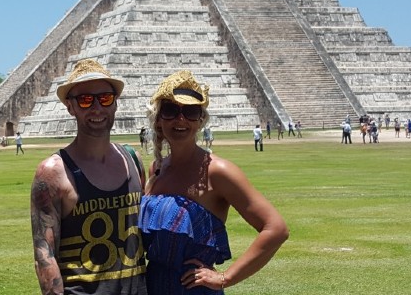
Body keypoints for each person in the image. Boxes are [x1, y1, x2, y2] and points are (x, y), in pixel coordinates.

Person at [140, 70, 288, 294]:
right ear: (159, 119)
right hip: (152, 285)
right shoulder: (157, 169)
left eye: (190, 111)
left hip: (193, 289)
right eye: (170, 110)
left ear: (200, 120)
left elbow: (276, 229)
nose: (181, 119)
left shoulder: (218, 171)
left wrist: (224, 278)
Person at [30, 59, 147, 294]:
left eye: (105, 98)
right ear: (70, 107)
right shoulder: (53, 172)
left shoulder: (132, 160)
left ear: (115, 104)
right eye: (85, 100)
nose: (96, 108)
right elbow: (45, 255)